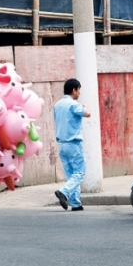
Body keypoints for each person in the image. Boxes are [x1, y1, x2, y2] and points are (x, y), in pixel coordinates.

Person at [53, 78, 91, 212]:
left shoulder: (57, 105)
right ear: (74, 90)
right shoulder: (73, 104)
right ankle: (64, 192)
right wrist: (86, 106)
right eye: (79, 90)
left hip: (62, 144)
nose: (79, 93)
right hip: (73, 144)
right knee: (80, 173)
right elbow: (87, 114)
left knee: (71, 174)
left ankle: (75, 204)